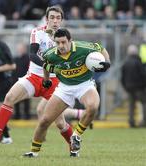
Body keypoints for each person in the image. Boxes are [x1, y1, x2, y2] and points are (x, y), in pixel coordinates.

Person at [0, 6, 83, 156]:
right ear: (46, 19)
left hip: (54, 83)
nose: (55, 20)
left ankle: (74, 149)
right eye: (52, 17)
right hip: (34, 77)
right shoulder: (37, 32)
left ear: (62, 20)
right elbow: (32, 54)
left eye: (58, 18)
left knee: (60, 123)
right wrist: (47, 66)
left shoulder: (64, 37)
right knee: (9, 98)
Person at [23, 28, 111, 157]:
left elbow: (101, 48)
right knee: (44, 120)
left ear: (70, 40)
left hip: (84, 84)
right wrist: (46, 80)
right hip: (64, 87)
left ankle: (76, 136)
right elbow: (46, 65)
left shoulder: (83, 48)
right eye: (58, 43)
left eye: (64, 42)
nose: (61, 46)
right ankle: (33, 152)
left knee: (93, 107)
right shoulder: (50, 54)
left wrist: (107, 62)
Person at [121, 44, 146, 127]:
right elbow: (143, 74)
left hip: (129, 88)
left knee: (131, 106)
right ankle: (144, 122)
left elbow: (122, 77)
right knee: (144, 103)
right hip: (139, 87)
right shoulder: (138, 62)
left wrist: (125, 86)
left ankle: (131, 122)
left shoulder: (125, 62)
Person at [12, 42, 31, 119]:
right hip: (16, 82)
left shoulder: (28, 58)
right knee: (16, 99)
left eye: (21, 48)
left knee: (26, 99)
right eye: (19, 48)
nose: (20, 50)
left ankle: (27, 115)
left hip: (26, 82)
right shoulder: (15, 59)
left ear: (25, 49)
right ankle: (17, 115)